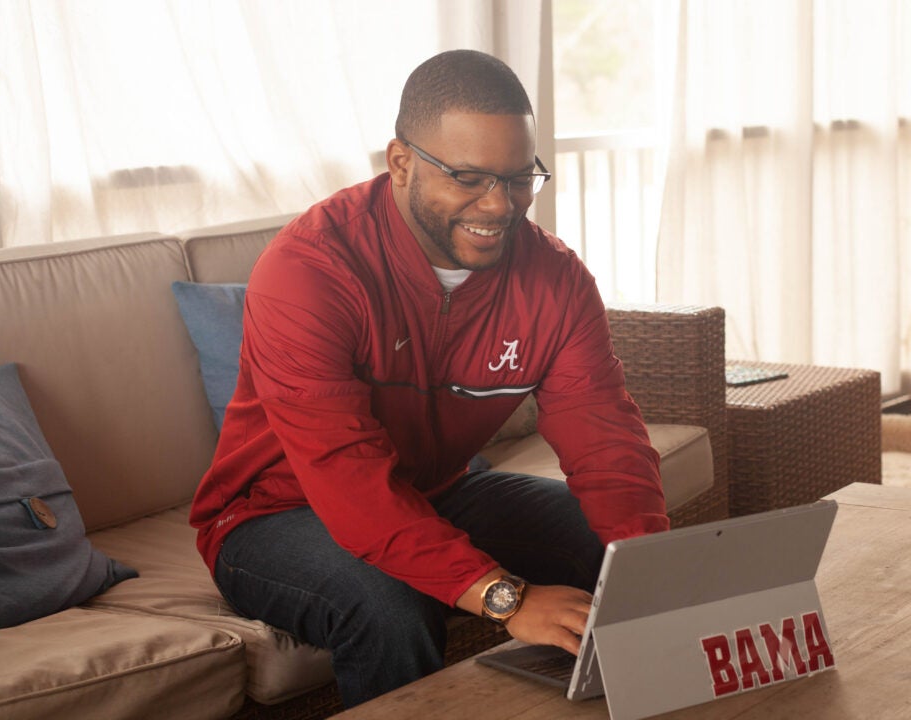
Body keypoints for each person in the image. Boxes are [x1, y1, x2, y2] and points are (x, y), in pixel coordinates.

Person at [188, 49, 669, 708]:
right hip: (270, 519)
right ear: (401, 162)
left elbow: (606, 440)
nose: (500, 205)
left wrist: (650, 569)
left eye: (518, 177)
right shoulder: (310, 270)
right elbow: (347, 475)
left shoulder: (554, 279)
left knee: (617, 554)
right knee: (388, 603)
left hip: (435, 492)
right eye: (469, 177)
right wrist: (507, 597)